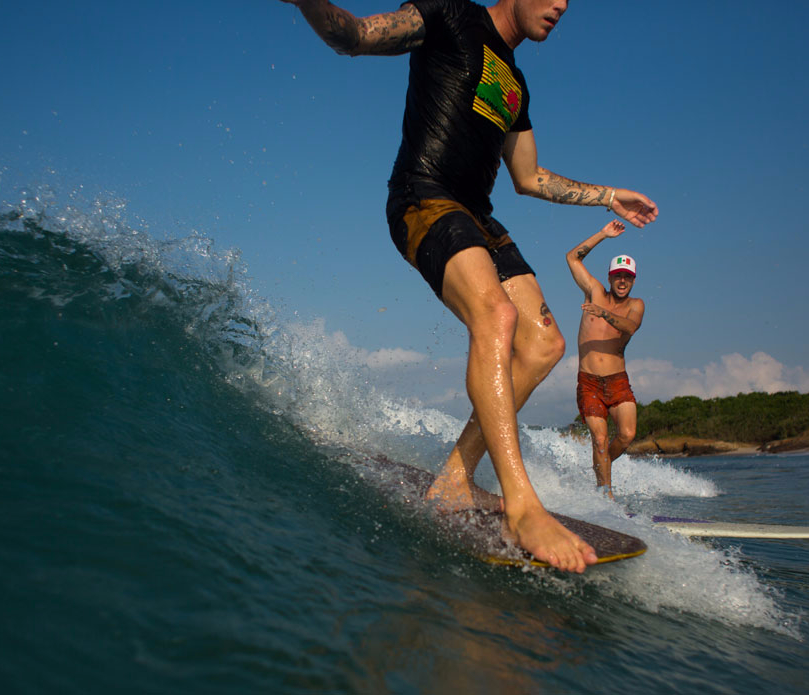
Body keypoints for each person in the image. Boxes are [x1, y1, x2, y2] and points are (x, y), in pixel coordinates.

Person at [282, 0, 658, 573]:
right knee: (497, 318)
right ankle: (522, 506)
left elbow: (529, 178)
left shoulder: (517, 85)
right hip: (423, 196)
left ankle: (456, 480)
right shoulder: (451, 13)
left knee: (543, 346)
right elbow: (355, 36)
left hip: (477, 216)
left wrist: (608, 195)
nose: (561, 6)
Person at [565, 220, 643, 498]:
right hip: (589, 383)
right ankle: (606, 496)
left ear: (633, 280)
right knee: (599, 439)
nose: (622, 281)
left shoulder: (636, 305)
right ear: (610, 278)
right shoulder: (595, 291)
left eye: (628, 277)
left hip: (618, 381)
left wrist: (604, 314)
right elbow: (572, 257)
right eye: (618, 276)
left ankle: (601, 467)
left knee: (627, 435)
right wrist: (603, 234)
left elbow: (630, 327)